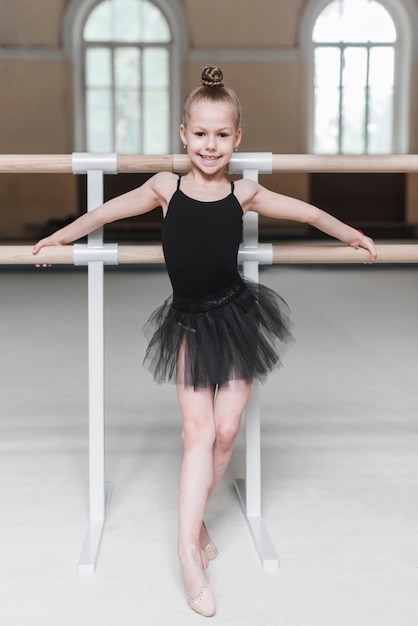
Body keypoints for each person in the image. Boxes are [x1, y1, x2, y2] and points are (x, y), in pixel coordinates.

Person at [33, 65, 377, 617]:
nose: (210, 146)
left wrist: (354, 234)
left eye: (222, 135)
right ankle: (188, 550)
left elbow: (308, 211)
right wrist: (57, 236)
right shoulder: (164, 187)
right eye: (200, 134)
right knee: (197, 433)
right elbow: (104, 211)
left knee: (224, 431)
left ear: (237, 138)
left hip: (238, 318)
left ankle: (196, 525)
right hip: (190, 323)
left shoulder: (246, 192)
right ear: (183, 134)